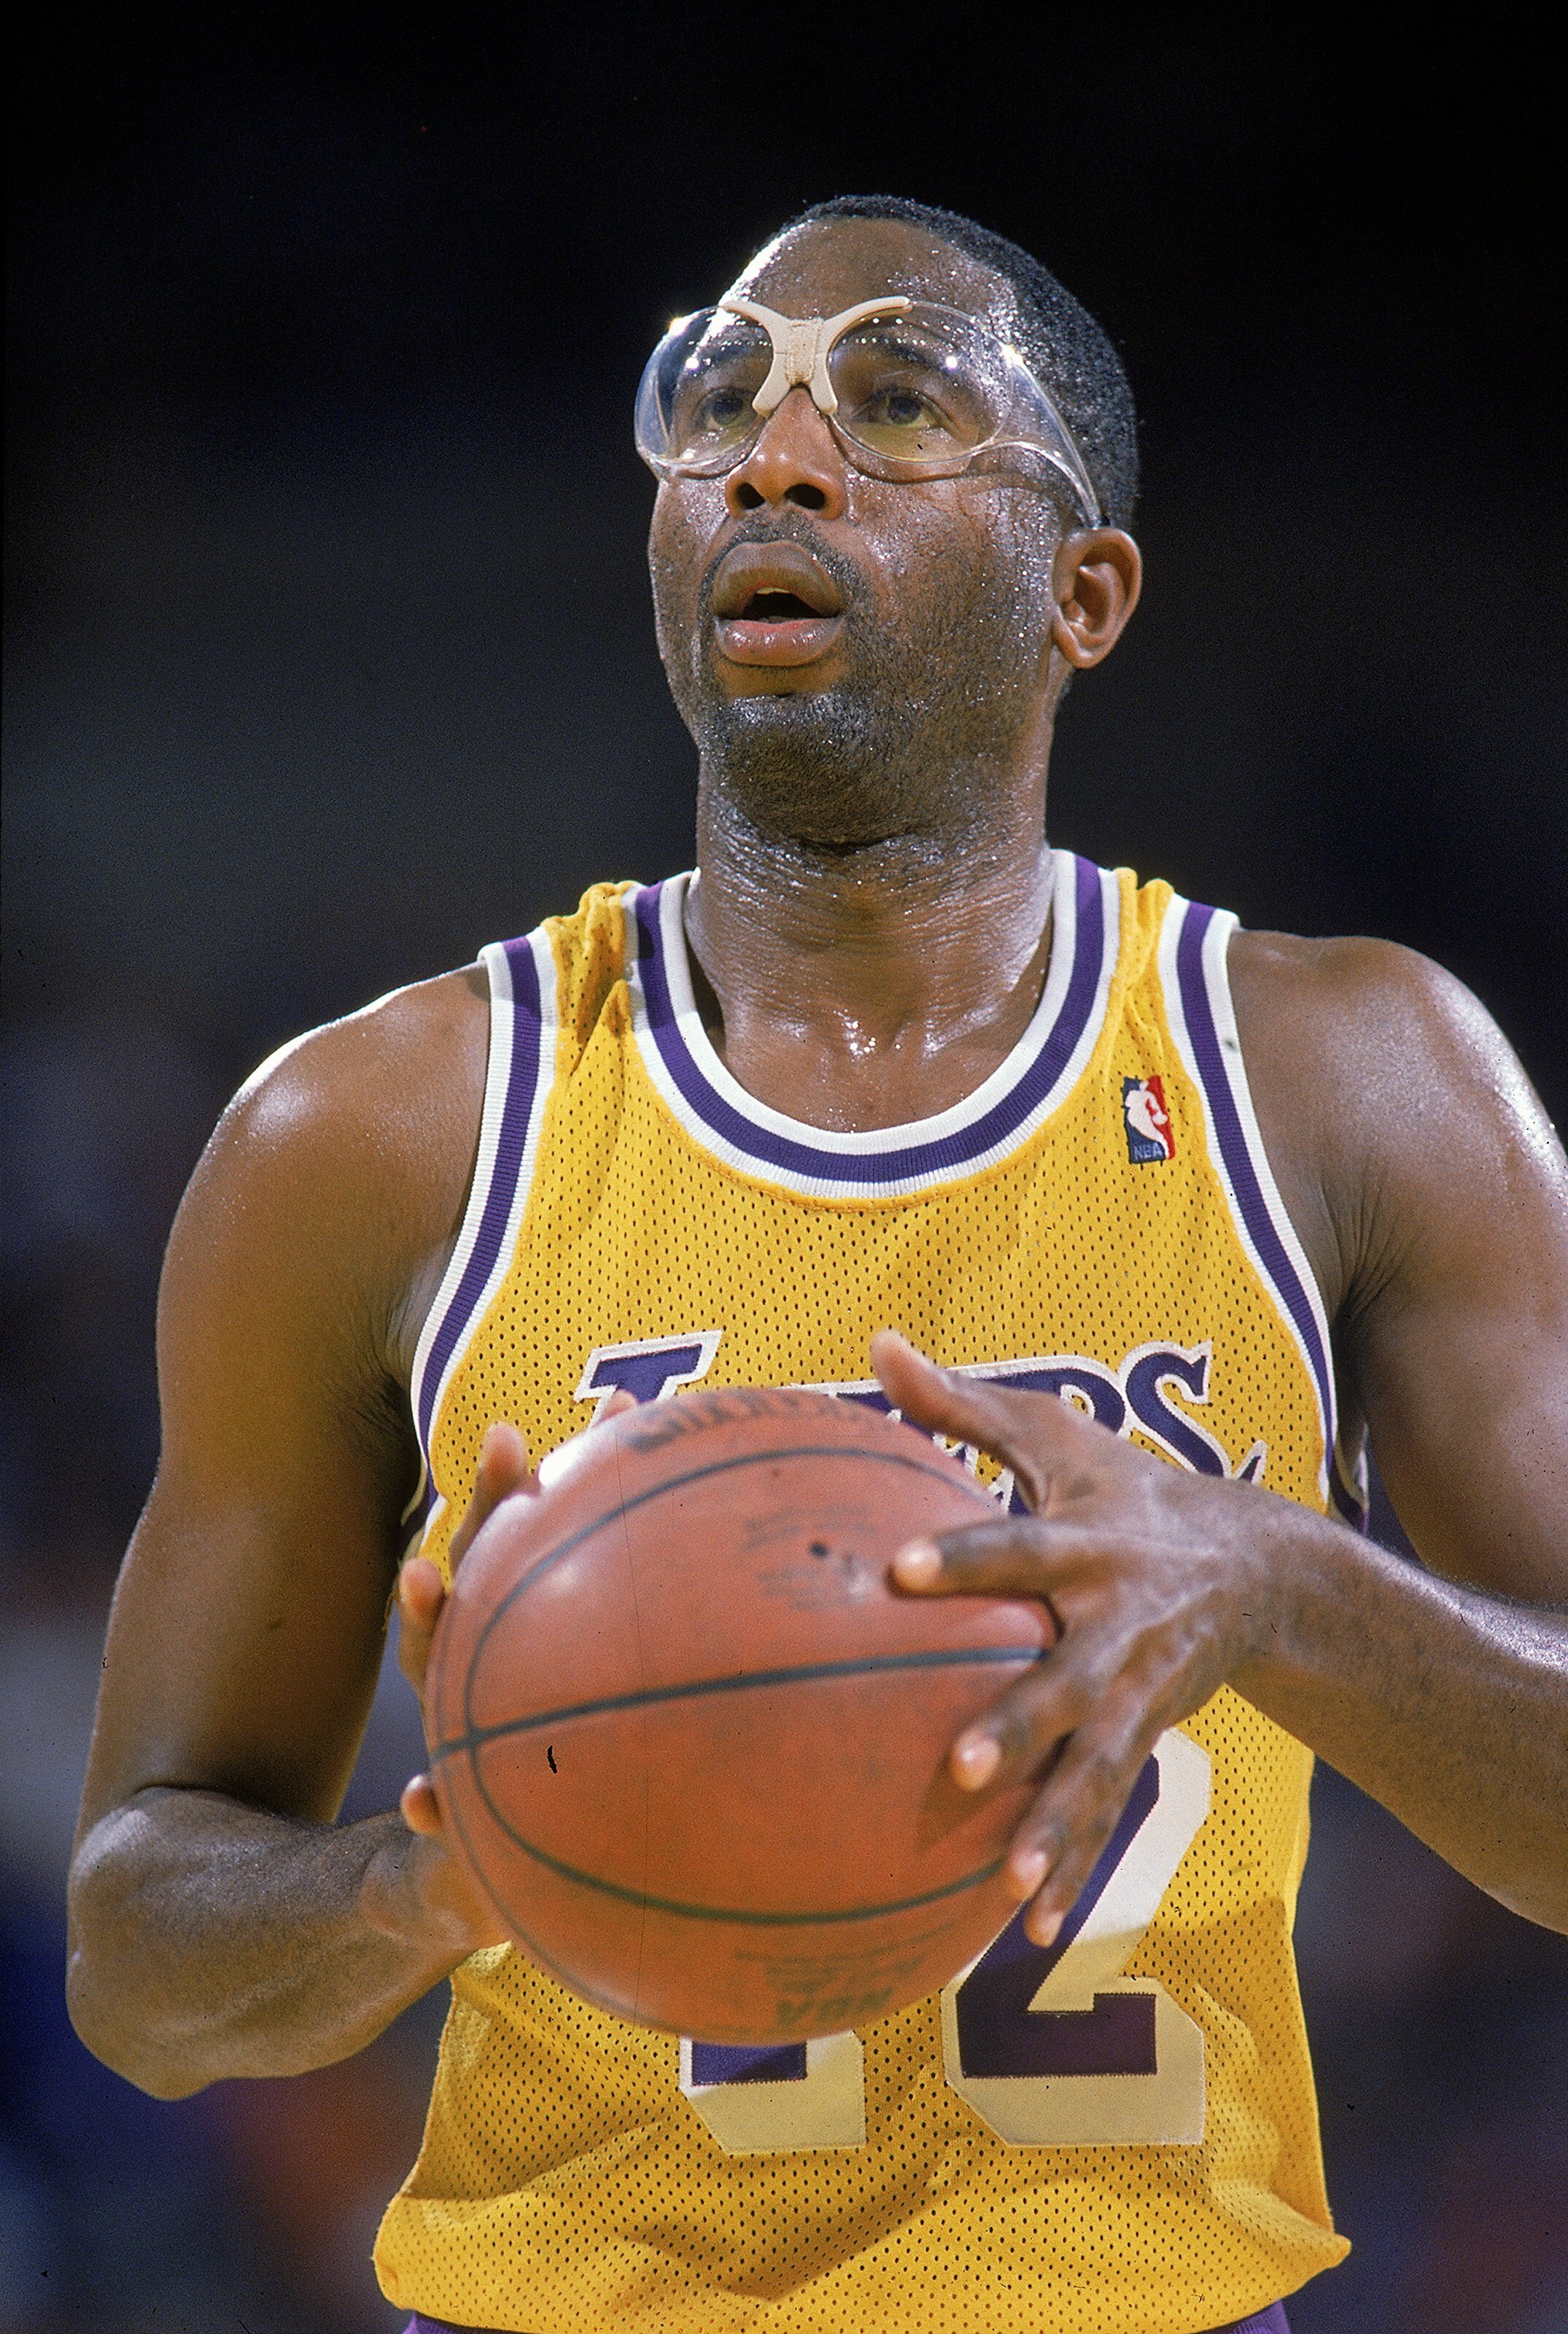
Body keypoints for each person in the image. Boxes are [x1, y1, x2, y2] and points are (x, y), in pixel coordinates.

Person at [67, 195, 1568, 2334]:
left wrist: (1280, 1584)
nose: (776, 456)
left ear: (1087, 591)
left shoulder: (1349, 1082)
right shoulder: (376, 1135)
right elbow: (139, 1961)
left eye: (897, 399)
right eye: (717, 404)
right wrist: (427, 1881)